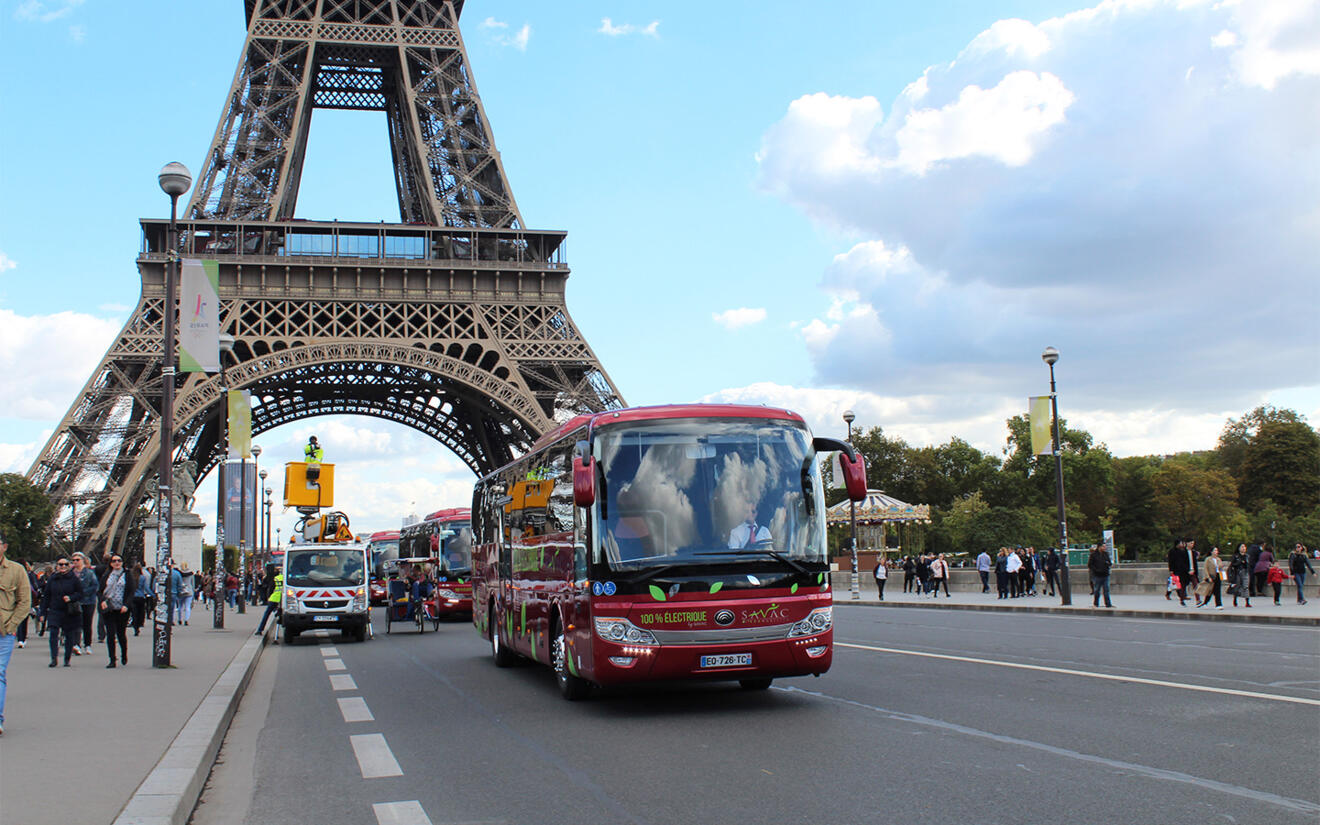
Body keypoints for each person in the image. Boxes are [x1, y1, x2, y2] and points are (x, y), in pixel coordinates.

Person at [0, 530, 34, 735]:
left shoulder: (16, 570)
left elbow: (25, 601)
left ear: (4, 546)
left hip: (4, 631)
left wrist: (11, 626)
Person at [42, 556, 82, 668]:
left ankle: (67, 658)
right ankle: (54, 658)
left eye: (65, 564)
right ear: (57, 566)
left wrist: (71, 597)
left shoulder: (74, 579)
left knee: (69, 635)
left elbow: (80, 593)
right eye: (60, 564)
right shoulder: (52, 579)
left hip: (69, 611)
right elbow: (47, 595)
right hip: (55, 610)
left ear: (69, 566)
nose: (63, 566)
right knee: (53, 634)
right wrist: (42, 612)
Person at [98, 554, 134, 667]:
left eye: (119, 560)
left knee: (121, 634)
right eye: (114, 561)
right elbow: (100, 591)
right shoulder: (107, 576)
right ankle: (112, 659)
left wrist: (126, 605)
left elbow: (131, 591)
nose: (117, 563)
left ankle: (124, 654)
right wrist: (102, 601)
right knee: (110, 634)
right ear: (110, 563)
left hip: (122, 609)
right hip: (109, 608)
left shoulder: (127, 575)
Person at [71, 552, 98, 655]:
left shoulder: (90, 573)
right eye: (73, 560)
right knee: (76, 623)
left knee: (87, 624)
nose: (75, 562)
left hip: (88, 601)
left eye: (77, 560)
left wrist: (82, 593)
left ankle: (87, 645)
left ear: (83, 561)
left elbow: (95, 586)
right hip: (76, 602)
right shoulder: (71, 573)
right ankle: (76, 644)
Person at [255, 569, 283, 636]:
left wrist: (268, 597)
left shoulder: (274, 579)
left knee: (267, 614)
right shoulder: (284, 578)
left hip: (274, 598)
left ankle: (260, 629)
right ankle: (277, 633)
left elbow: (270, 589)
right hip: (282, 598)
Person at [1167, 539, 1192, 606]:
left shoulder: (1183, 551)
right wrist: (1171, 569)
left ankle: (1182, 595)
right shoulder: (1172, 551)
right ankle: (1180, 596)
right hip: (1175, 569)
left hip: (1182, 570)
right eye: (1180, 543)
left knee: (1181, 583)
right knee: (1175, 583)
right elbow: (1170, 561)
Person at [1088, 543, 1113, 607]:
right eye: (1103, 546)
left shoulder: (1106, 554)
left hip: (1105, 574)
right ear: (1099, 547)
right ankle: (1096, 604)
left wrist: (1108, 564)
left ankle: (1108, 604)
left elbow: (1109, 562)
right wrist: (1095, 570)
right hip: (1097, 575)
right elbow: (1090, 565)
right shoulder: (1094, 555)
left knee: (1106, 590)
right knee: (1097, 590)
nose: (1105, 548)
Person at [131, 563, 152, 635]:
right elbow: (146, 587)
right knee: (140, 612)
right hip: (141, 597)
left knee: (134, 613)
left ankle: (135, 627)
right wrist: (153, 594)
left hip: (133, 597)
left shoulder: (132, 577)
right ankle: (139, 624)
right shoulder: (142, 577)